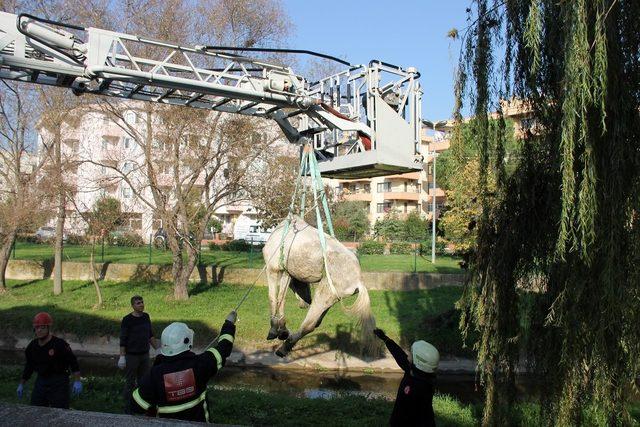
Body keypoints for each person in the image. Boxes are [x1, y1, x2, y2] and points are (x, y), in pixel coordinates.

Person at [132, 311, 237, 422]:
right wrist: (229, 323)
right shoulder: (201, 364)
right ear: (188, 341)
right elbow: (224, 347)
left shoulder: (154, 375)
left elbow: (136, 406)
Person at [374, 328, 439, 427]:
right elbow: (400, 356)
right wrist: (385, 339)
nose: (408, 355)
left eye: (411, 354)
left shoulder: (421, 387)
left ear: (419, 362)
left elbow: (423, 418)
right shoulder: (415, 372)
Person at [17, 312, 82, 408]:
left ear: (48, 328)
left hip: (59, 381)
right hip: (42, 380)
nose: (39, 330)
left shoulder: (59, 344)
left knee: (60, 411)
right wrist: (22, 384)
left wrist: (77, 380)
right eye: (37, 327)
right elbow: (29, 366)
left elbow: (73, 362)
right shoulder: (32, 346)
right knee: (36, 409)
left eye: (42, 327)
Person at [119, 295, 159, 414]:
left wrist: (157, 348)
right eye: (138, 303)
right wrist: (122, 356)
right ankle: (128, 407)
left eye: (142, 302)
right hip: (132, 356)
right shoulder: (127, 319)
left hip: (144, 355)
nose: (141, 304)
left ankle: (142, 406)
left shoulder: (146, 317)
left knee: (144, 381)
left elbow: (150, 334)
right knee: (130, 382)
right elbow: (123, 338)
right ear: (133, 305)